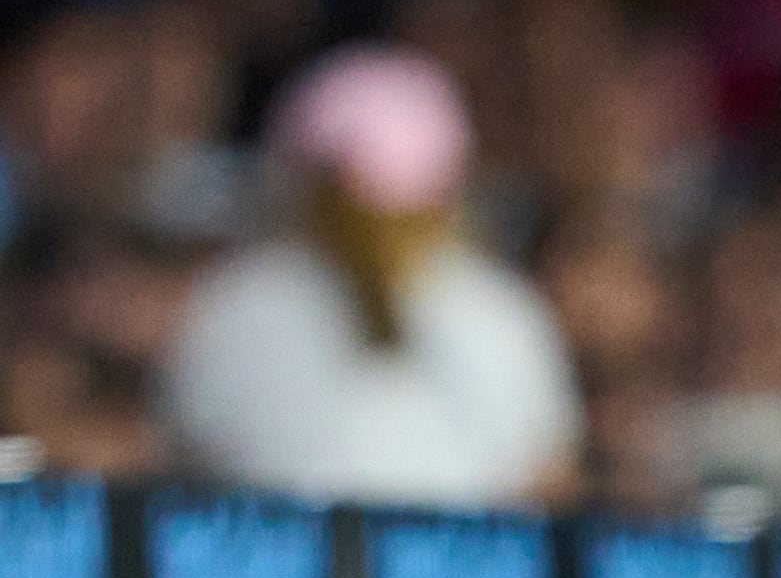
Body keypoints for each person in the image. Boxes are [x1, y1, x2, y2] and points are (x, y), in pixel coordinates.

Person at [156, 43, 580, 509]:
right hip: (459, 574)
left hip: (282, 573)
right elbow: (549, 489)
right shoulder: (503, 310)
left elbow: (183, 472)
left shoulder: (237, 300)